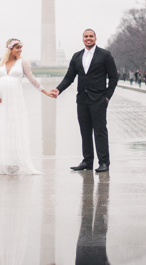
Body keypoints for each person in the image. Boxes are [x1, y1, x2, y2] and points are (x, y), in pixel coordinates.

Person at [50, 29, 118, 173]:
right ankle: (87, 161)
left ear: (95, 38)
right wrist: (58, 89)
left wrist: (107, 96)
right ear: (83, 39)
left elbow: (113, 77)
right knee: (85, 131)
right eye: (86, 36)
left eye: (91, 36)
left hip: (98, 99)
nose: (88, 39)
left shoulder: (105, 55)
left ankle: (104, 162)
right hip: (82, 99)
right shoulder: (77, 56)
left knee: (100, 131)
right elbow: (69, 77)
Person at [0, 38, 54, 174]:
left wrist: (44, 91)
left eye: (20, 48)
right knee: (3, 128)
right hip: (1, 101)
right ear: (10, 49)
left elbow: (32, 79)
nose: (20, 50)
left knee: (14, 127)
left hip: (14, 99)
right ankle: (5, 161)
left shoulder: (22, 63)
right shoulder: (1, 63)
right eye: (17, 48)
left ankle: (16, 161)